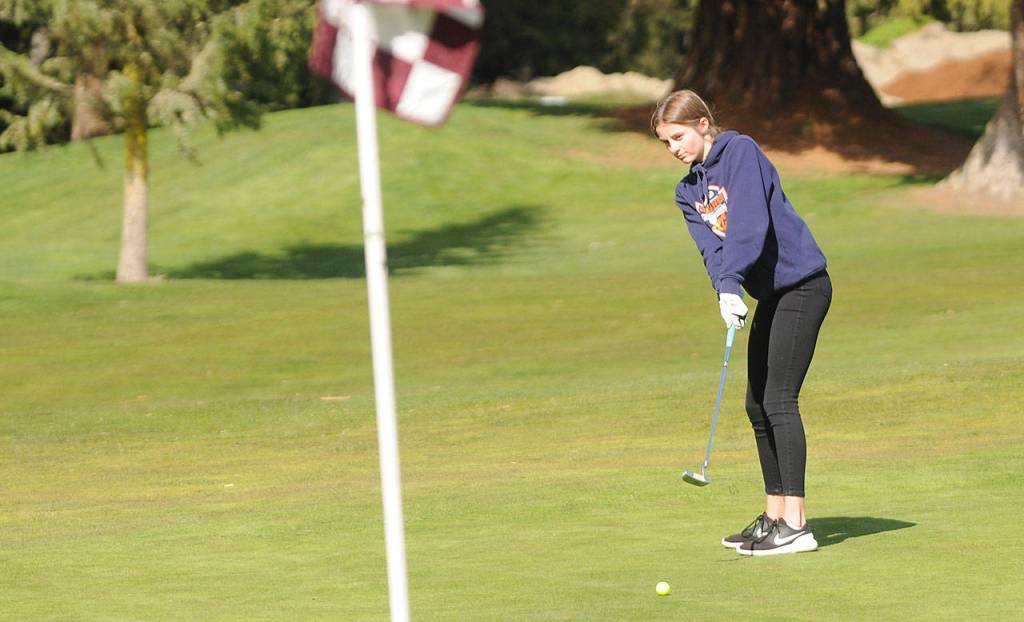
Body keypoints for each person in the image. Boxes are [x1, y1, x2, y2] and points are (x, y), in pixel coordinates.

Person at [651, 90, 832, 556]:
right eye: (666, 142)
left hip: (803, 284)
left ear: (703, 123)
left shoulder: (741, 152)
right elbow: (711, 249)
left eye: (678, 136)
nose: (673, 148)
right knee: (756, 405)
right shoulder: (687, 192)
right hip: (771, 294)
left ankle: (797, 525)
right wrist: (724, 289)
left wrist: (733, 280)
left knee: (779, 400)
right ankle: (774, 516)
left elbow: (750, 223)